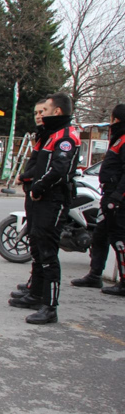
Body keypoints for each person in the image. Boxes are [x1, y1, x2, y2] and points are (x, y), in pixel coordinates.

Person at [8, 93, 80, 325]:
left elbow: (59, 170)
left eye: (44, 111)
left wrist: (38, 187)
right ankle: (36, 294)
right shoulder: (51, 134)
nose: (41, 115)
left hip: (53, 200)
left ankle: (50, 307)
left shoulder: (66, 136)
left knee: (48, 253)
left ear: (57, 111)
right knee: (38, 247)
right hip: (42, 199)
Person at [71, 104, 125, 296]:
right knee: (100, 236)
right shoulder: (118, 138)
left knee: (119, 239)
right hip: (108, 195)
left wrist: (117, 197)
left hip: (117, 200)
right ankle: (95, 275)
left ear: (116, 119)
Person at [10, 100, 50, 297]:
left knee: (43, 246)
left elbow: (46, 167)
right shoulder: (42, 135)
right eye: (36, 112)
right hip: (33, 192)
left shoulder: (54, 136)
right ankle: (34, 285)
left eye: (43, 111)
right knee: (35, 244)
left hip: (44, 195)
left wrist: (24, 177)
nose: (38, 116)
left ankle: (39, 292)